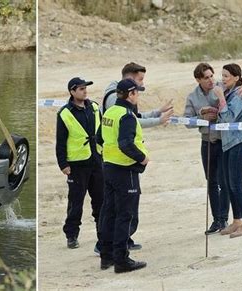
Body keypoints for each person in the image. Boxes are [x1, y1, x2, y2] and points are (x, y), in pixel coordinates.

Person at [183, 63, 242, 235]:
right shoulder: (194, 96)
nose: (213, 80)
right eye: (207, 77)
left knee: (229, 183)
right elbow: (187, 121)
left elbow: (229, 112)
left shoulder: (226, 90)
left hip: (228, 142)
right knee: (215, 181)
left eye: (214, 75)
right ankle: (222, 220)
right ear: (198, 80)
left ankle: (235, 220)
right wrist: (203, 114)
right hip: (209, 142)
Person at [98, 78, 148, 273]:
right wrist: (142, 158)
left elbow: (98, 138)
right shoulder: (127, 115)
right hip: (125, 169)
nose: (138, 96)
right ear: (131, 94)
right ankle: (121, 260)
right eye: (137, 92)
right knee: (125, 215)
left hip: (108, 167)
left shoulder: (109, 112)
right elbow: (126, 143)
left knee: (109, 212)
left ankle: (106, 257)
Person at [56, 77, 104, 249]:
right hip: (77, 164)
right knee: (75, 202)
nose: (85, 91)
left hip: (97, 161)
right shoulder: (65, 113)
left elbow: (103, 133)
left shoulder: (95, 107)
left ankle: (103, 233)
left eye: (85, 88)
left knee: (100, 199)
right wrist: (63, 164)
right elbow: (60, 141)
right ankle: (71, 235)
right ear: (72, 91)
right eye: (81, 88)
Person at [213, 63, 242, 238]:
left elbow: (229, 117)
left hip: (239, 142)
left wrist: (221, 98)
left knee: (236, 185)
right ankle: (237, 220)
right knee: (230, 185)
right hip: (229, 143)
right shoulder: (231, 92)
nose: (223, 79)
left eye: (227, 76)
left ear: (236, 78)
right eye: (222, 75)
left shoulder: (239, 93)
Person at [102, 62, 173, 127]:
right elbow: (132, 121)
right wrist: (159, 121)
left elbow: (136, 116)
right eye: (140, 79)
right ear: (130, 79)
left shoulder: (126, 94)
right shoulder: (114, 98)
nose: (142, 83)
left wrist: (159, 112)